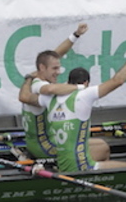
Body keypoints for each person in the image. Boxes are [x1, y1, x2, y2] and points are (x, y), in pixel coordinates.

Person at [18, 24, 108, 162]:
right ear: (42, 68)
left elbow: (56, 55)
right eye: (55, 69)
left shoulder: (36, 78)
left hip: (38, 142)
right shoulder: (39, 86)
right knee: (103, 149)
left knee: (97, 143)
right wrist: (80, 88)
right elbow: (50, 89)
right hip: (44, 147)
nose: (58, 72)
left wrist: (75, 35)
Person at [39, 49, 126, 172]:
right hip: (83, 167)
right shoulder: (84, 95)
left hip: (63, 164)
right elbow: (118, 81)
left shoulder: (50, 99)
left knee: (103, 147)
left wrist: (31, 78)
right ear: (86, 83)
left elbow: (24, 97)